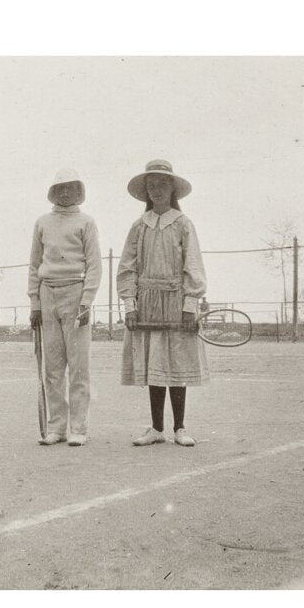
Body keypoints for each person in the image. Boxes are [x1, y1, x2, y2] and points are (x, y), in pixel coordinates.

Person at [117, 159, 209, 447]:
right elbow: (127, 268)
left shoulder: (183, 224)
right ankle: (157, 429)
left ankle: (179, 428)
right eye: (151, 185)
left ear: (173, 190)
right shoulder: (138, 227)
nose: (156, 190)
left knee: (176, 362)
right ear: (146, 192)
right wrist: (130, 306)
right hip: (146, 303)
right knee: (154, 362)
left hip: (176, 301)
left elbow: (193, 264)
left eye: (162, 184)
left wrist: (190, 307)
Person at [28, 168, 102, 446]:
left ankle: (78, 427)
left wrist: (86, 301)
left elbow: (94, 264)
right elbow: (35, 265)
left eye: (71, 187)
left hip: (76, 293)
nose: (65, 193)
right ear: (53, 192)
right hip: (48, 295)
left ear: (78, 191)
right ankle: (56, 427)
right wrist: (34, 301)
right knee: (53, 366)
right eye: (60, 188)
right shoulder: (42, 222)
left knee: (79, 366)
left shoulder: (86, 222)